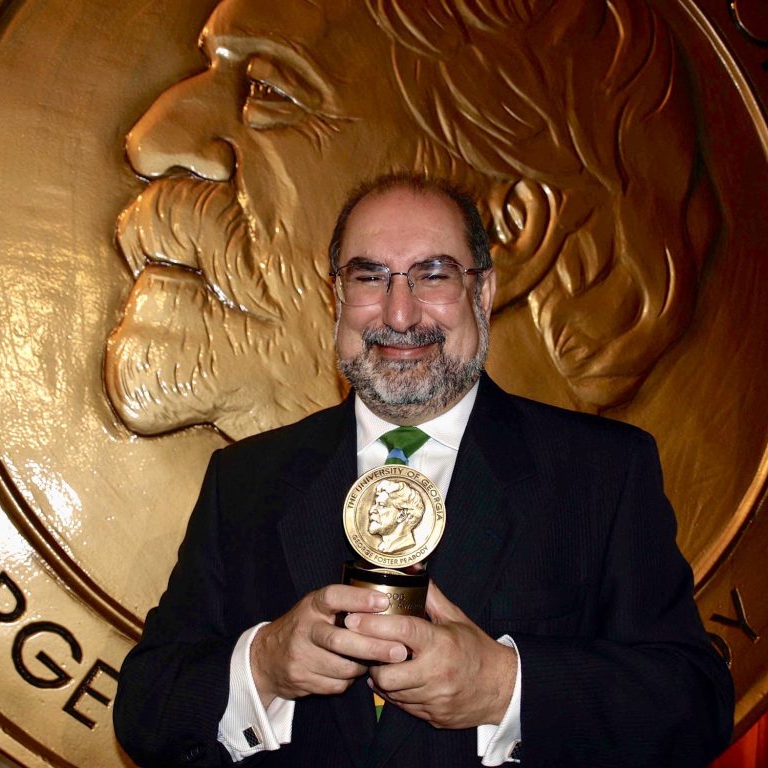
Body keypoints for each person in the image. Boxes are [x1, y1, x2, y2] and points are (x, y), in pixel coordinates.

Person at [113, 173, 735, 767]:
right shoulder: (244, 480)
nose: (400, 314)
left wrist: (503, 687)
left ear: (483, 293)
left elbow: (694, 705)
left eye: (433, 275)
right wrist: (264, 666)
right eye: (370, 277)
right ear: (339, 297)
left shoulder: (603, 473)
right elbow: (145, 710)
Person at [104, 0, 720, 443]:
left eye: (272, 91)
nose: (150, 142)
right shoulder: (239, 495)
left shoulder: (608, 506)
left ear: (503, 230)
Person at [367, 480, 426, 555]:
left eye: (381, 505)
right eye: (375, 504)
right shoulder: (383, 547)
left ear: (402, 515)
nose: (372, 510)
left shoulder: (404, 546)